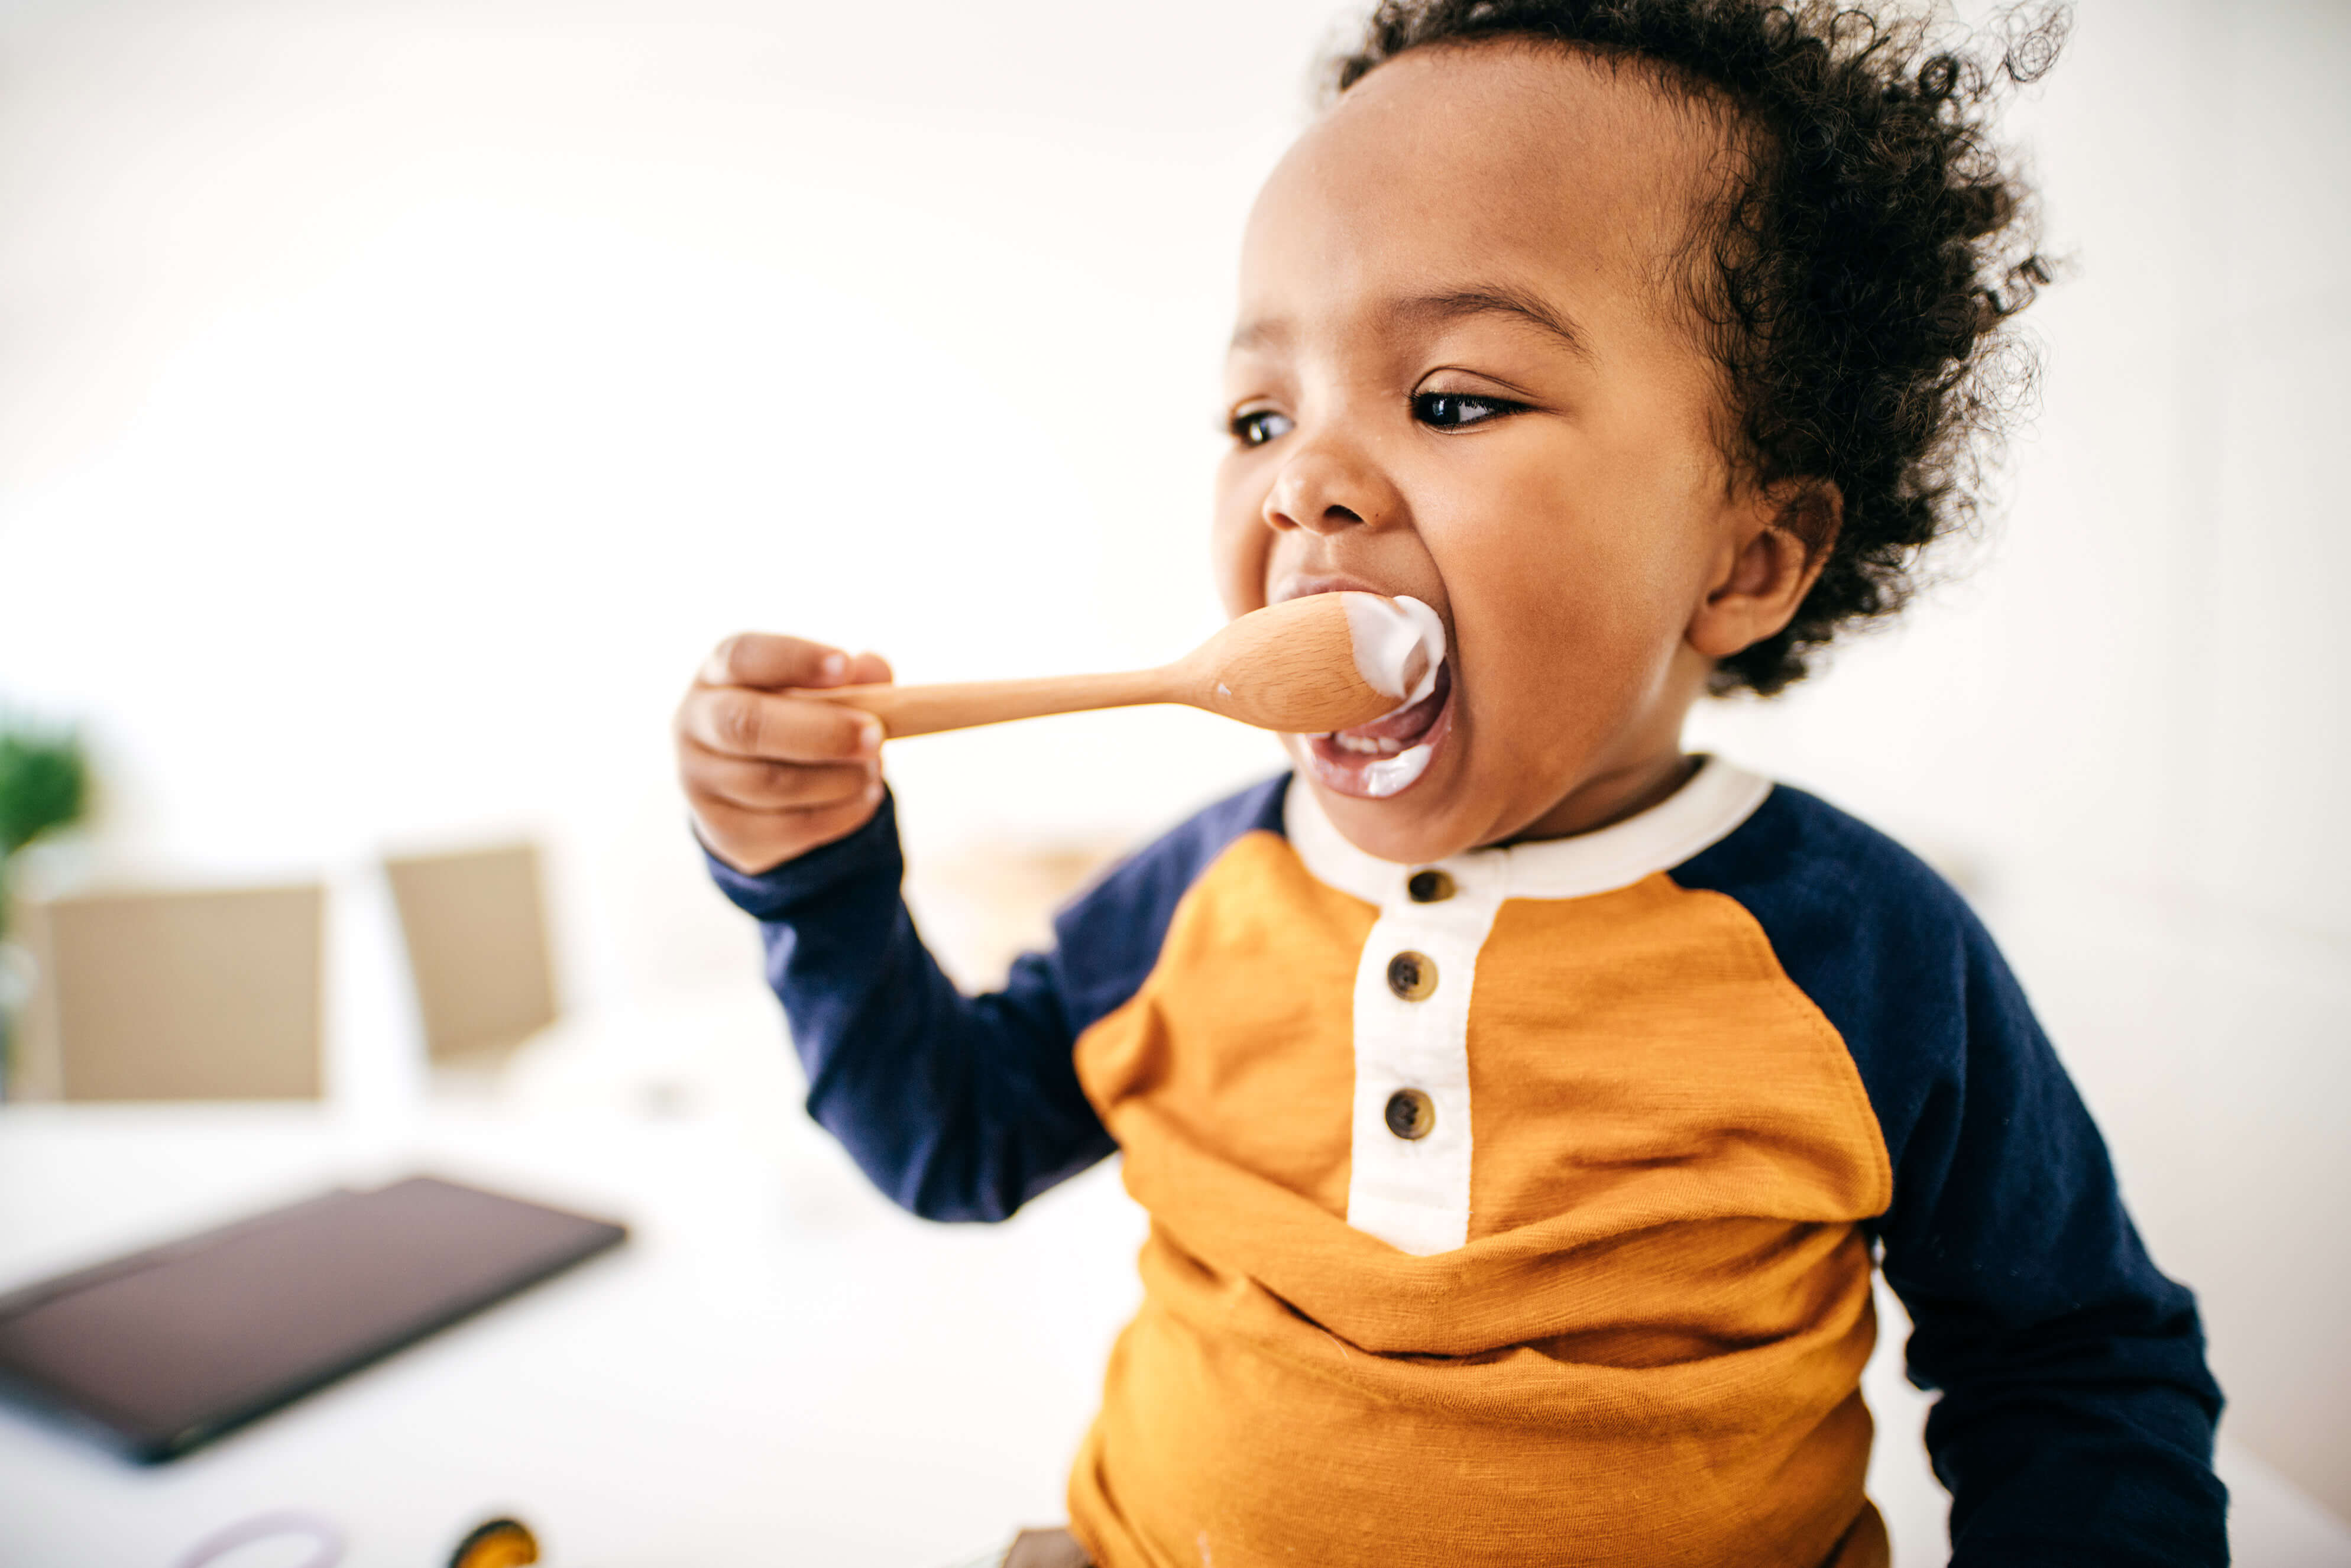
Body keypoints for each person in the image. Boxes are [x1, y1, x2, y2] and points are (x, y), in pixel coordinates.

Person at [672, 2, 2225, 1563]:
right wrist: (816, 881)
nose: (1305, 480)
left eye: (1455, 399)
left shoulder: (1865, 950)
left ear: (1747, 559)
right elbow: (952, 1138)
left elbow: (2076, 1366)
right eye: (1259, 417)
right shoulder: (1201, 894)